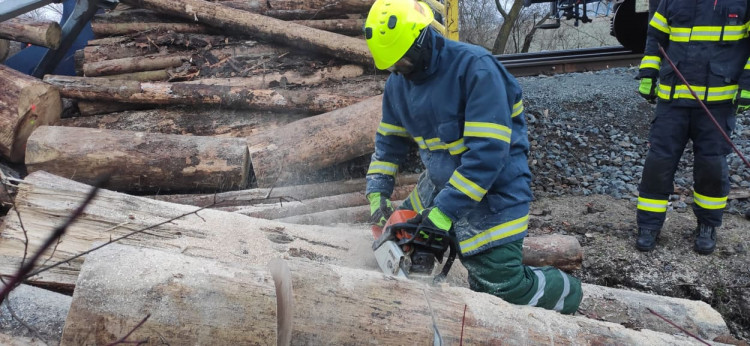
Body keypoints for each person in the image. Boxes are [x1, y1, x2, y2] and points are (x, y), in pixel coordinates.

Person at [363, 0, 582, 314]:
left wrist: (443, 213)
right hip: (440, 183)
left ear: (422, 39)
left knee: (500, 289)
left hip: (494, 188)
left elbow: (487, 156)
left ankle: (567, 292)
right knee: (397, 235)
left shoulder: (475, 69)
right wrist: (377, 193)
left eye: (404, 63)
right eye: (393, 66)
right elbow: (388, 144)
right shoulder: (398, 84)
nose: (400, 71)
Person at [635, 0, 750, 254]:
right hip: (672, 99)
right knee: (658, 163)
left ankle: (707, 225)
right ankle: (648, 225)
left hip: (718, 103)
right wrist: (648, 72)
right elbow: (656, 36)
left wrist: (748, 86)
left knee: (711, 166)